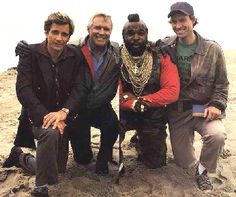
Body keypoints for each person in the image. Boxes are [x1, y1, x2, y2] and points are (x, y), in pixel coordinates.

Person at [4, 12, 89, 197]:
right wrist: (48, 117)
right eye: (55, 32)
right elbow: (23, 90)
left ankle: (20, 156)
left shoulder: (75, 54)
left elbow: (79, 88)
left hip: (65, 118)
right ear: (46, 32)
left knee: (57, 170)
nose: (59, 38)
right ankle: (40, 188)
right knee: (50, 133)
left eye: (64, 34)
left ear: (69, 37)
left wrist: (64, 113)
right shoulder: (30, 54)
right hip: (35, 117)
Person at [164, 2, 229, 191]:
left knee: (217, 136)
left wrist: (217, 104)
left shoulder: (212, 49)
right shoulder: (166, 45)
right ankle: (207, 151)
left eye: (182, 20)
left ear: (192, 20)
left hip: (203, 108)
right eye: (174, 21)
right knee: (183, 163)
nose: (178, 26)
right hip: (178, 112)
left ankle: (204, 171)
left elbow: (222, 83)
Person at [119, 14, 180, 168]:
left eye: (141, 33)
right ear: (123, 36)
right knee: (110, 128)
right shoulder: (115, 57)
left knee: (155, 163)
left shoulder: (161, 55)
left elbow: (172, 91)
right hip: (123, 111)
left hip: (152, 112)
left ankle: (141, 138)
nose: (136, 37)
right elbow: (113, 92)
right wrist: (131, 103)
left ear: (147, 34)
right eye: (130, 33)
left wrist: (143, 101)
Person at [68, 13, 121, 175]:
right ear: (89, 29)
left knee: (113, 125)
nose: (101, 32)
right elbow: (50, 51)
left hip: (101, 106)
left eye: (106, 29)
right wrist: (28, 49)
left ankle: (103, 159)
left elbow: (138, 52)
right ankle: (85, 151)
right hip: (77, 109)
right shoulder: (72, 48)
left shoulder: (117, 51)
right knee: (82, 159)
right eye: (97, 27)